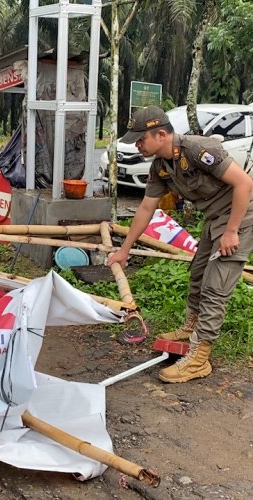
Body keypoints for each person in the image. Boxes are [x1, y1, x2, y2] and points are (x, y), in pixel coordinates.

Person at [108, 106, 253, 383]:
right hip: (215, 218)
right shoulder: (160, 167)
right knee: (198, 273)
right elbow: (145, 209)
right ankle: (191, 326)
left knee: (215, 285)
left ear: (161, 134)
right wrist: (124, 250)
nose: (137, 145)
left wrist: (232, 231)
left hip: (241, 215)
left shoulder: (197, 150)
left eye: (141, 140)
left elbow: (244, 184)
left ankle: (199, 358)